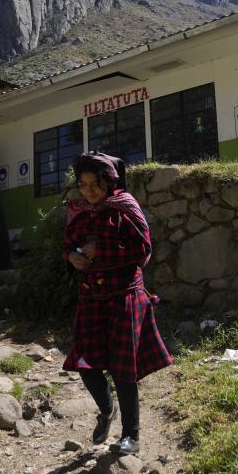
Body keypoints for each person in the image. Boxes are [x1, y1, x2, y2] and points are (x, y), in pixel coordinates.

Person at [62, 151, 173, 455]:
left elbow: (143, 249)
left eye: (94, 184)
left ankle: (131, 436)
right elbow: (67, 245)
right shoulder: (78, 211)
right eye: (83, 185)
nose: (89, 191)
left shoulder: (124, 207)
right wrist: (71, 257)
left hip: (125, 296)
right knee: (85, 362)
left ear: (109, 181)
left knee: (124, 370)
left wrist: (102, 249)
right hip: (91, 299)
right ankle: (106, 409)